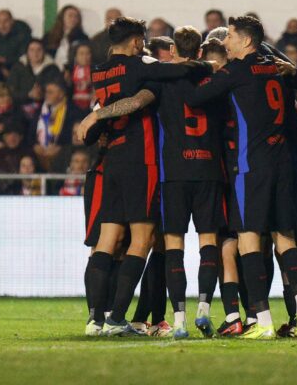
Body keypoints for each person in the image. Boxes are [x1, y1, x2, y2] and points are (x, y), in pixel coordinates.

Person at [87, 25, 225, 339]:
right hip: (146, 161)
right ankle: (119, 318)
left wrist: (95, 117)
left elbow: (109, 114)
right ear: (136, 41)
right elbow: (142, 98)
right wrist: (210, 66)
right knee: (146, 239)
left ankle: (96, 319)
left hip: (113, 162)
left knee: (106, 241)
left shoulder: (100, 72)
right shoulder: (144, 68)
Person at [183, 16, 297, 339]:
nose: (226, 41)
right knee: (285, 239)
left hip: (251, 167)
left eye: (229, 36)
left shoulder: (237, 70)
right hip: (282, 164)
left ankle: (264, 322)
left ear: (245, 41)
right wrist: (293, 70)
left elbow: (195, 98)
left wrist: (202, 70)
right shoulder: (275, 65)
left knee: (247, 240)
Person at [30, 79, 81, 172]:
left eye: (50, 92)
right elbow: (30, 133)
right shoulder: (39, 110)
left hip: (63, 157)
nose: (46, 95)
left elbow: (75, 136)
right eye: (46, 92)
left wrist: (60, 148)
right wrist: (35, 146)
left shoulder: (73, 111)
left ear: (61, 94)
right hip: (39, 156)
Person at [6, 39, 62, 112]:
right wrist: (28, 94)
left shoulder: (53, 69)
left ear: (44, 51)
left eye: (39, 50)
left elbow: (58, 91)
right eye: (32, 50)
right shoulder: (18, 68)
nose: (35, 53)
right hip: (19, 109)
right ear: (27, 52)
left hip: (46, 109)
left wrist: (41, 94)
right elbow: (10, 90)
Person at [43, 5, 89, 70]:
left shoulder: (83, 38)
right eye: (70, 16)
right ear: (62, 18)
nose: (73, 19)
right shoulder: (49, 36)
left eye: (76, 17)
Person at [68, 44, 94, 112]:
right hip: (73, 108)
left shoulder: (96, 70)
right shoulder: (69, 71)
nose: (85, 57)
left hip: (91, 108)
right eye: (81, 53)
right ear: (76, 56)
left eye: (88, 53)